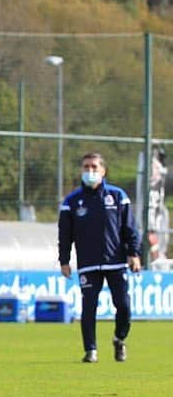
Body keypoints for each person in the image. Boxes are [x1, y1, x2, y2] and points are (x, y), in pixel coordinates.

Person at [58, 152, 141, 363]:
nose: (90, 171)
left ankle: (119, 339)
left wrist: (134, 253)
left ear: (103, 171)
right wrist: (64, 260)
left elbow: (129, 228)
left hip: (116, 262)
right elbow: (64, 234)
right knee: (89, 307)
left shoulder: (118, 196)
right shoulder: (72, 201)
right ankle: (91, 350)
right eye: (86, 167)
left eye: (94, 167)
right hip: (88, 264)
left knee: (123, 306)